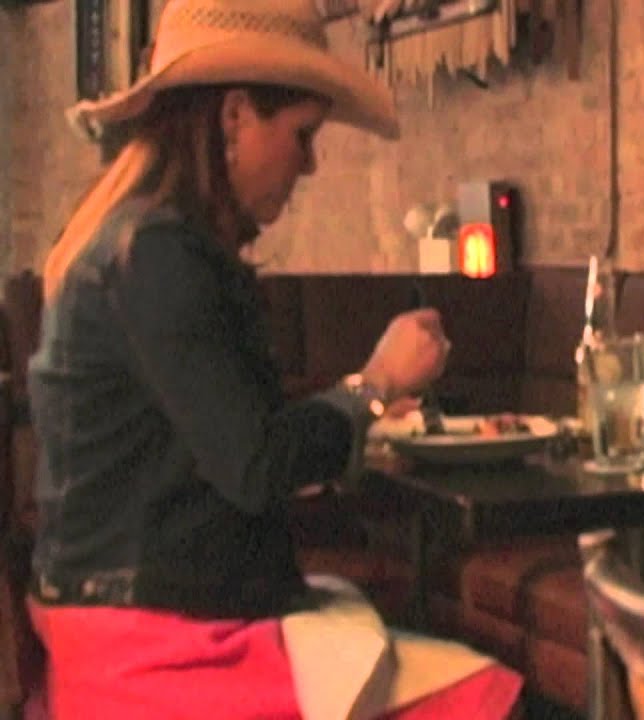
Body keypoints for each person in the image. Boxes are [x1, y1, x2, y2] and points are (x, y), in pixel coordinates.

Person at [25, 1, 523, 717]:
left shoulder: (131, 241)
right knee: (492, 699)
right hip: (159, 649)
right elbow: (256, 466)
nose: (310, 163)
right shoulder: (158, 255)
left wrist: (350, 422)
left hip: (128, 622)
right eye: (302, 135)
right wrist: (376, 383)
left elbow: (215, 451)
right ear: (234, 117)